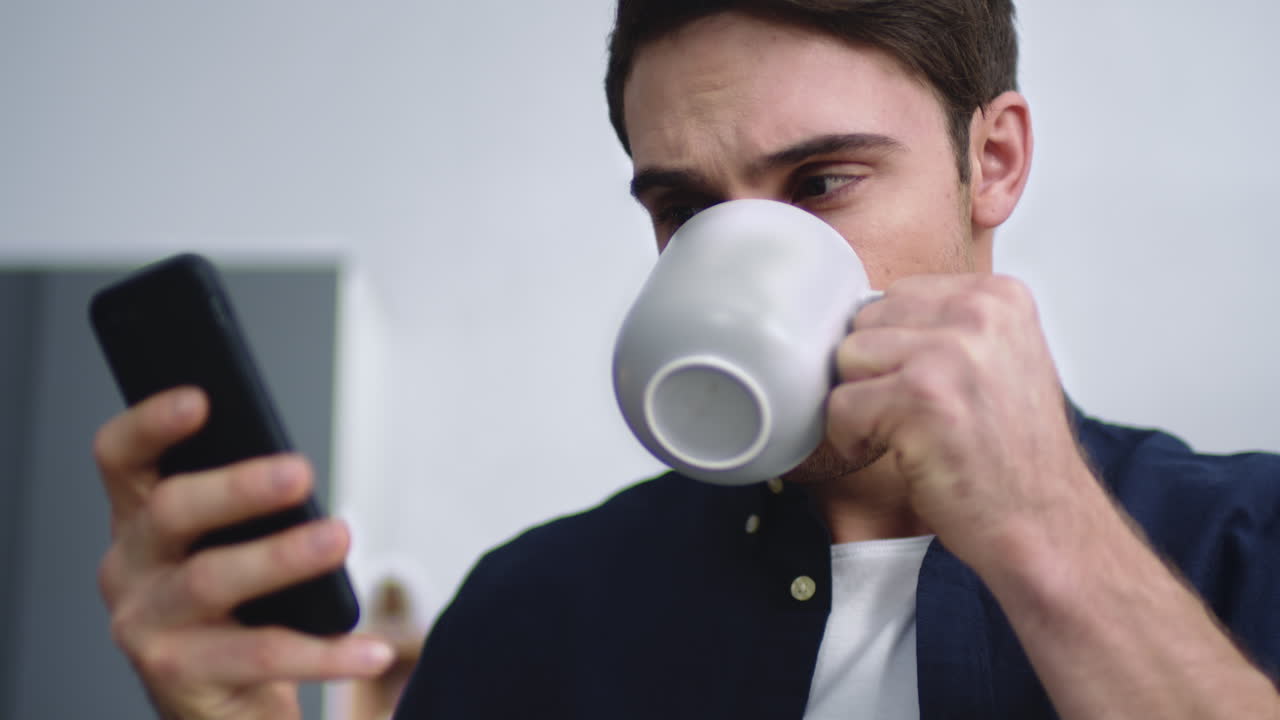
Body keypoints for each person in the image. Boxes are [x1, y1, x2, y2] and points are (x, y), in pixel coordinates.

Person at [93, 1, 1280, 718]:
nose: (745, 255)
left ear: (996, 160)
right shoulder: (534, 616)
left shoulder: (1247, 544)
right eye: (685, 210)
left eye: (822, 182)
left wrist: (1045, 537)